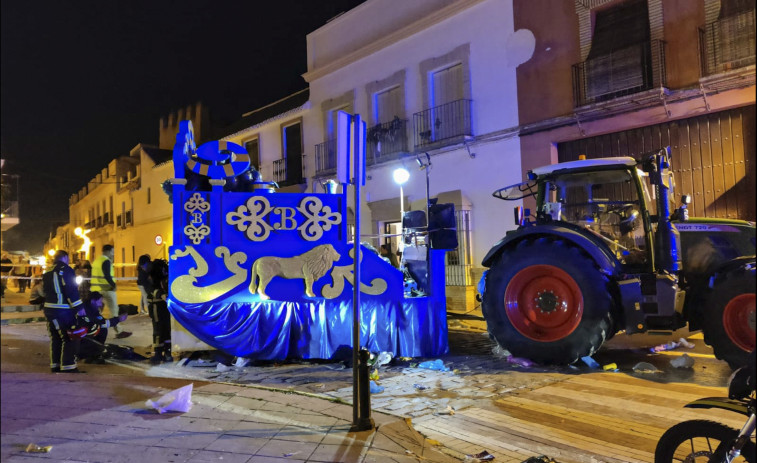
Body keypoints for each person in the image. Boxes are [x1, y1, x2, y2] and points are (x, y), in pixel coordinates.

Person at [43, 250, 85, 373]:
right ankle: (68, 366)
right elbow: (71, 290)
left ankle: (55, 365)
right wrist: (79, 307)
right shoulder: (66, 270)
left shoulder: (48, 271)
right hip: (62, 309)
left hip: (49, 309)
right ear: (66, 257)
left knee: (56, 338)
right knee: (69, 337)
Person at [91, 245, 131, 339]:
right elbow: (107, 275)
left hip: (96, 290)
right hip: (107, 289)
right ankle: (119, 331)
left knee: (96, 311)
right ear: (108, 251)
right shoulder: (106, 261)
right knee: (114, 310)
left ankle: (92, 329)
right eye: (112, 252)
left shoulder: (96, 261)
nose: (113, 254)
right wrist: (113, 285)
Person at [76, 291, 128, 364]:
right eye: (99, 301)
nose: (101, 303)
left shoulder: (90, 307)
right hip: (80, 338)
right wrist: (118, 319)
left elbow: (101, 321)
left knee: (100, 328)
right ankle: (91, 354)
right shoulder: (89, 309)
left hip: (81, 336)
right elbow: (103, 323)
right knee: (102, 329)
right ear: (93, 301)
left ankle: (92, 354)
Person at [146, 259, 172, 364]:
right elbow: (155, 291)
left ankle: (161, 353)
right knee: (162, 330)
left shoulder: (159, 279)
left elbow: (155, 291)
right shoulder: (161, 279)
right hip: (161, 308)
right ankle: (163, 353)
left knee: (161, 330)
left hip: (160, 308)